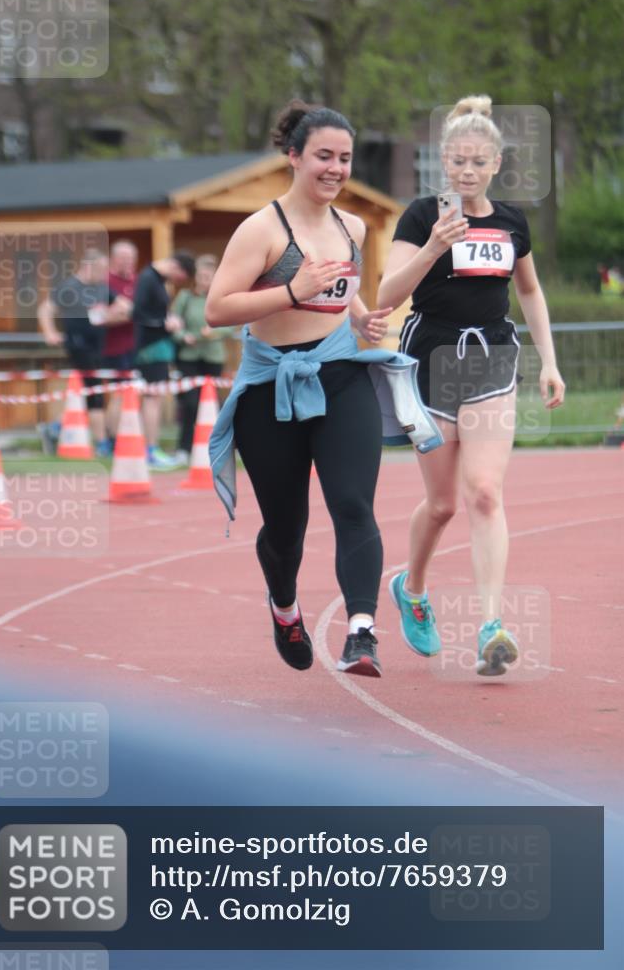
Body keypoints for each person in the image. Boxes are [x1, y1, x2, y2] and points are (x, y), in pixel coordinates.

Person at [206, 100, 442, 678]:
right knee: (286, 528)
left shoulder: (352, 226)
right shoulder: (261, 230)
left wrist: (360, 318)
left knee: (354, 505)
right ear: (294, 157)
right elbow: (217, 309)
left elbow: (343, 285)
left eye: (345, 158)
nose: (336, 168)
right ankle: (285, 608)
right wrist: (293, 290)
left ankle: (362, 633)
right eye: (324, 157)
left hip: (339, 377)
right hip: (272, 388)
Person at [377, 94, 565, 677]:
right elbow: (385, 295)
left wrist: (551, 362)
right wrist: (435, 244)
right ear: (444, 161)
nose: (466, 171)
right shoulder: (419, 217)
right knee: (442, 505)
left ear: (496, 164)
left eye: (477, 162)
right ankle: (412, 588)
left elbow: (528, 291)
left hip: (491, 359)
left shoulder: (511, 222)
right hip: (430, 361)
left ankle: (491, 626)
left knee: (484, 492)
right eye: (457, 161)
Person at [38, 249, 112, 455]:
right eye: (101, 269)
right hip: (78, 345)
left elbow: (122, 305)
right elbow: (45, 309)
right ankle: (102, 443)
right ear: (88, 266)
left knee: (87, 393)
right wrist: (50, 332)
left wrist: (114, 314)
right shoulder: (70, 287)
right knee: (93, 392)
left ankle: (54, 428)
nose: (103, 273)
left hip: (98, 346)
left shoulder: (100, 287)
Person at [132, 250, 195, 469]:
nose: (177, 282)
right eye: (179, 278)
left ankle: (151, 448)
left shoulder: (156, 279)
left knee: (154, 398)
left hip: (157, 346)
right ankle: (150, 450)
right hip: (151, 348)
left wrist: (168, 319)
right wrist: (165, 324)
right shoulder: (148, 278)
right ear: (176, 266)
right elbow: (138, 313)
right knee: (153, 398)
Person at [173, 254, 235, 466]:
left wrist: (214, 332)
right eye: (201, 276)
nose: (204, 280)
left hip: (213, 356)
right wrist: (183, 336)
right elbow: (173, 323)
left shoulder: (221, 297)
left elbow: (231, 325)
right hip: (189, 357)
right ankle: (184, 449)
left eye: (209, 276)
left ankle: (218, 448)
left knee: (213, 404)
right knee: (190, 404)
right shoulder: (185, 297)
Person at [103, 240, 139, 447]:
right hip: (111, 347)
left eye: (131, 258)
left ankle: (123, 436)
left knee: (130, 393)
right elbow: (99, 317)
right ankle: (112, 439)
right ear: (113, 259)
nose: (127, 262)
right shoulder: (104, 281)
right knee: (117, 393)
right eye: (123, 258)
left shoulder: (137, 281)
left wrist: (129, 312)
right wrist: (133, 314)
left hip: (135, 347)